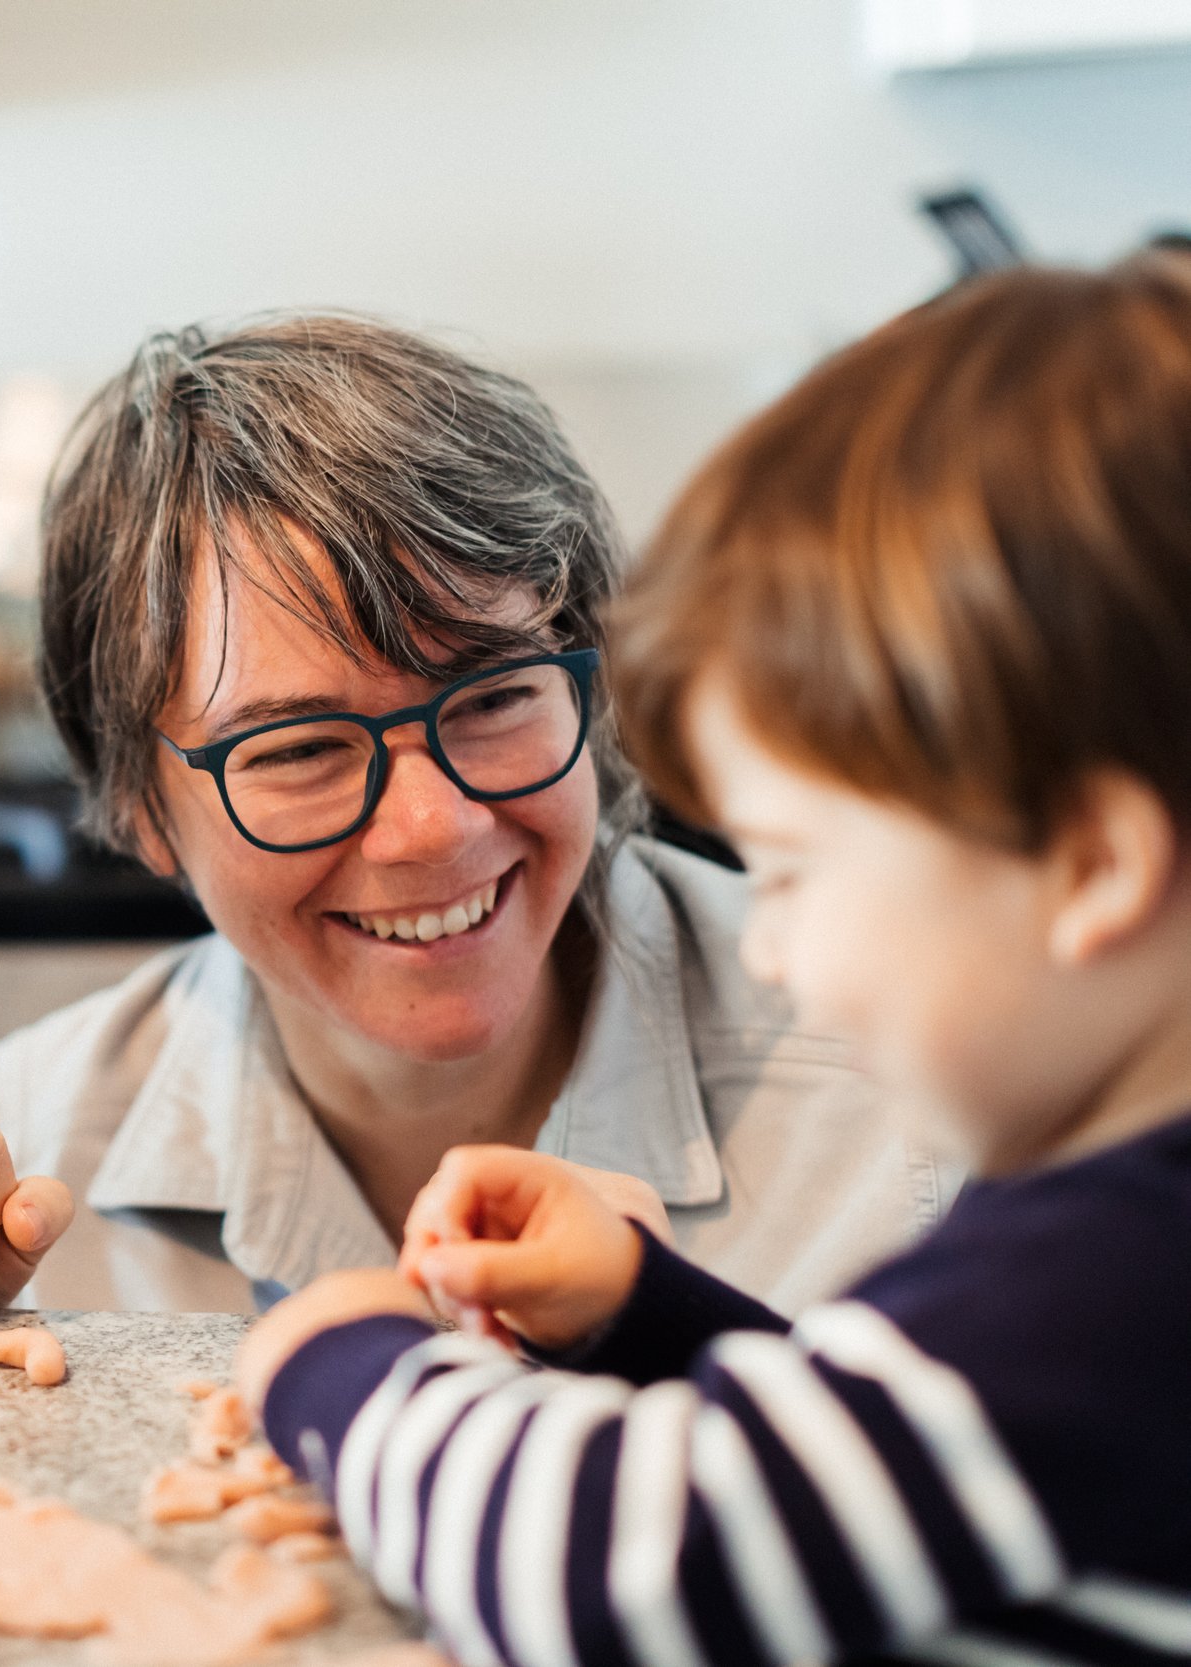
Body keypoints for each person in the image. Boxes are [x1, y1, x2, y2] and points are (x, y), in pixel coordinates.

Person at [240, 253, 1191, 1667]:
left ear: (1092, 863)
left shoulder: (1117, 1274)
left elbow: (617, 1568)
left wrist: (343, 1364)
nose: (777, 946)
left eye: (795, 870)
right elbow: (863, 1474)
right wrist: (644, 1307)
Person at [0, 315, 942, 1323]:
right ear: (140, 810)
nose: (431, 827)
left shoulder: (918, 1077)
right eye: (301, 750)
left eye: (491, 698)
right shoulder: (18, 1158)